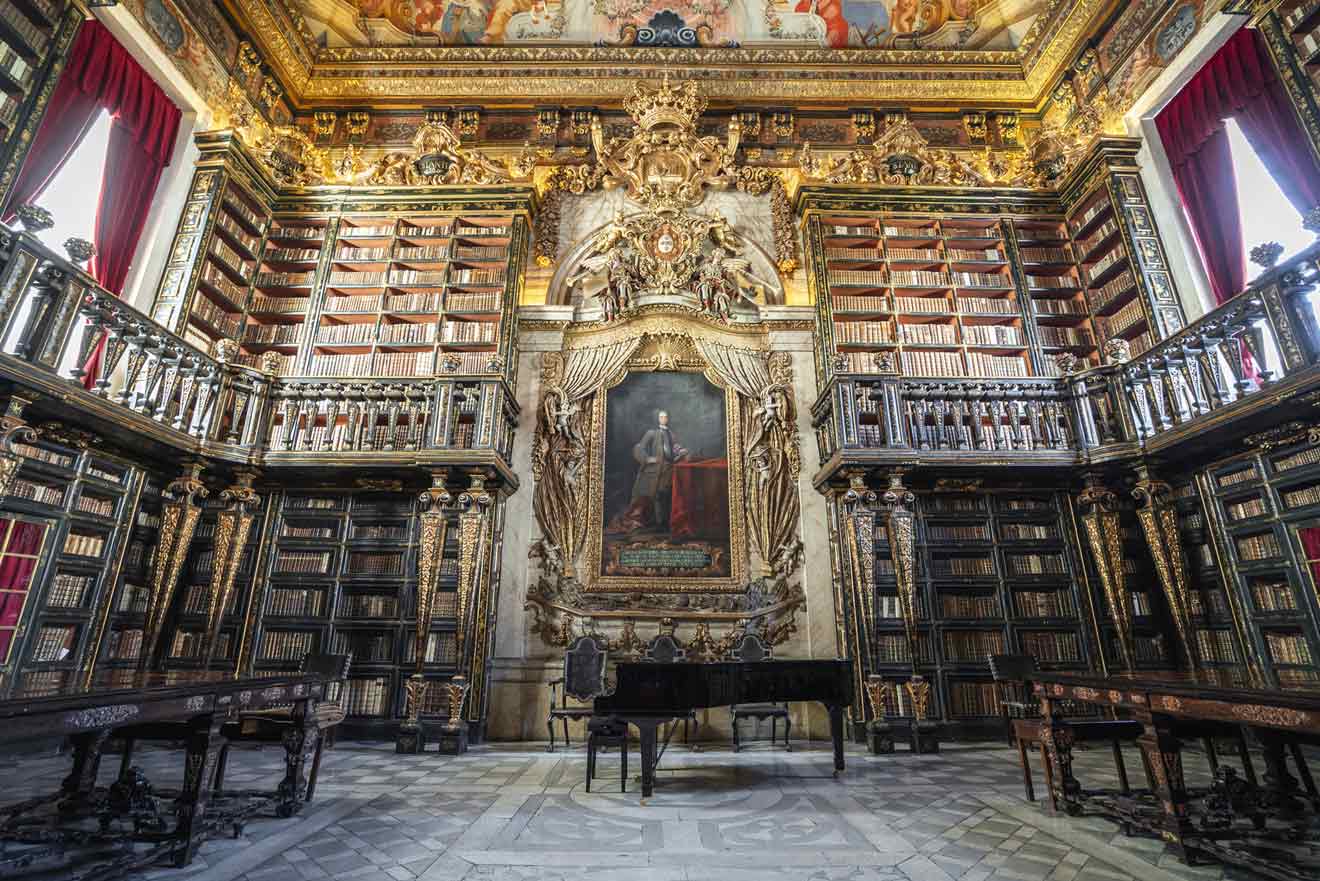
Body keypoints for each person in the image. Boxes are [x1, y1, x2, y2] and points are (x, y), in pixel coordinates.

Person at [629, 409, 689, 531]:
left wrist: (681, 451)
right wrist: (647, 459)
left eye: (666, 417)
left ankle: (665, 523)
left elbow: (675, 447)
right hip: (655, 469)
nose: (664, 419)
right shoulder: (651, 433)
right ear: (657, 418)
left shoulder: (671, 433)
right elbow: (639, 448)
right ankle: (658, 523)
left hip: (669, 468)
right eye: (661, 417)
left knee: (666, 494)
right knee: (656, 495)